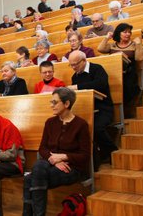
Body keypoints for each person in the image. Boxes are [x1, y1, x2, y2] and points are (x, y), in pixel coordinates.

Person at [23, 88, 91, 216]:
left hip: (71, 168)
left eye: (55, 102)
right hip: (50, 164)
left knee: (29, 179)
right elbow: (42, 149)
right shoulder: (50, 122)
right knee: (38, 166)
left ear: (66, 104)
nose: (51, 105)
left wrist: (63, 157)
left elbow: (85, 155)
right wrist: (54, 161)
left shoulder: (81, 124)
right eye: (51, 102)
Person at [67, 50, 118, 167]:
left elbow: (101, 84)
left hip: (103, 108)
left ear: (84, 60)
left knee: (97, 127)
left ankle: (112, 152)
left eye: (75, 64)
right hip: (88, 109)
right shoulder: (75, 76)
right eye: (71, 65)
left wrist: (77, 87)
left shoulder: (97, 69)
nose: (73, 67)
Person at [98, 23, 143, 105]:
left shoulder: (134, 45)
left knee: (127, 84)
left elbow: (139, 58)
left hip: (128, 73)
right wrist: (107, 37)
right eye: (125, 32)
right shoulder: (113, 45)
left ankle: (126, 105)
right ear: (118, 33)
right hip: (114, 72)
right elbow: (100, 49)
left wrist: (138, 44)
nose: (128, 34)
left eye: (129, 32)